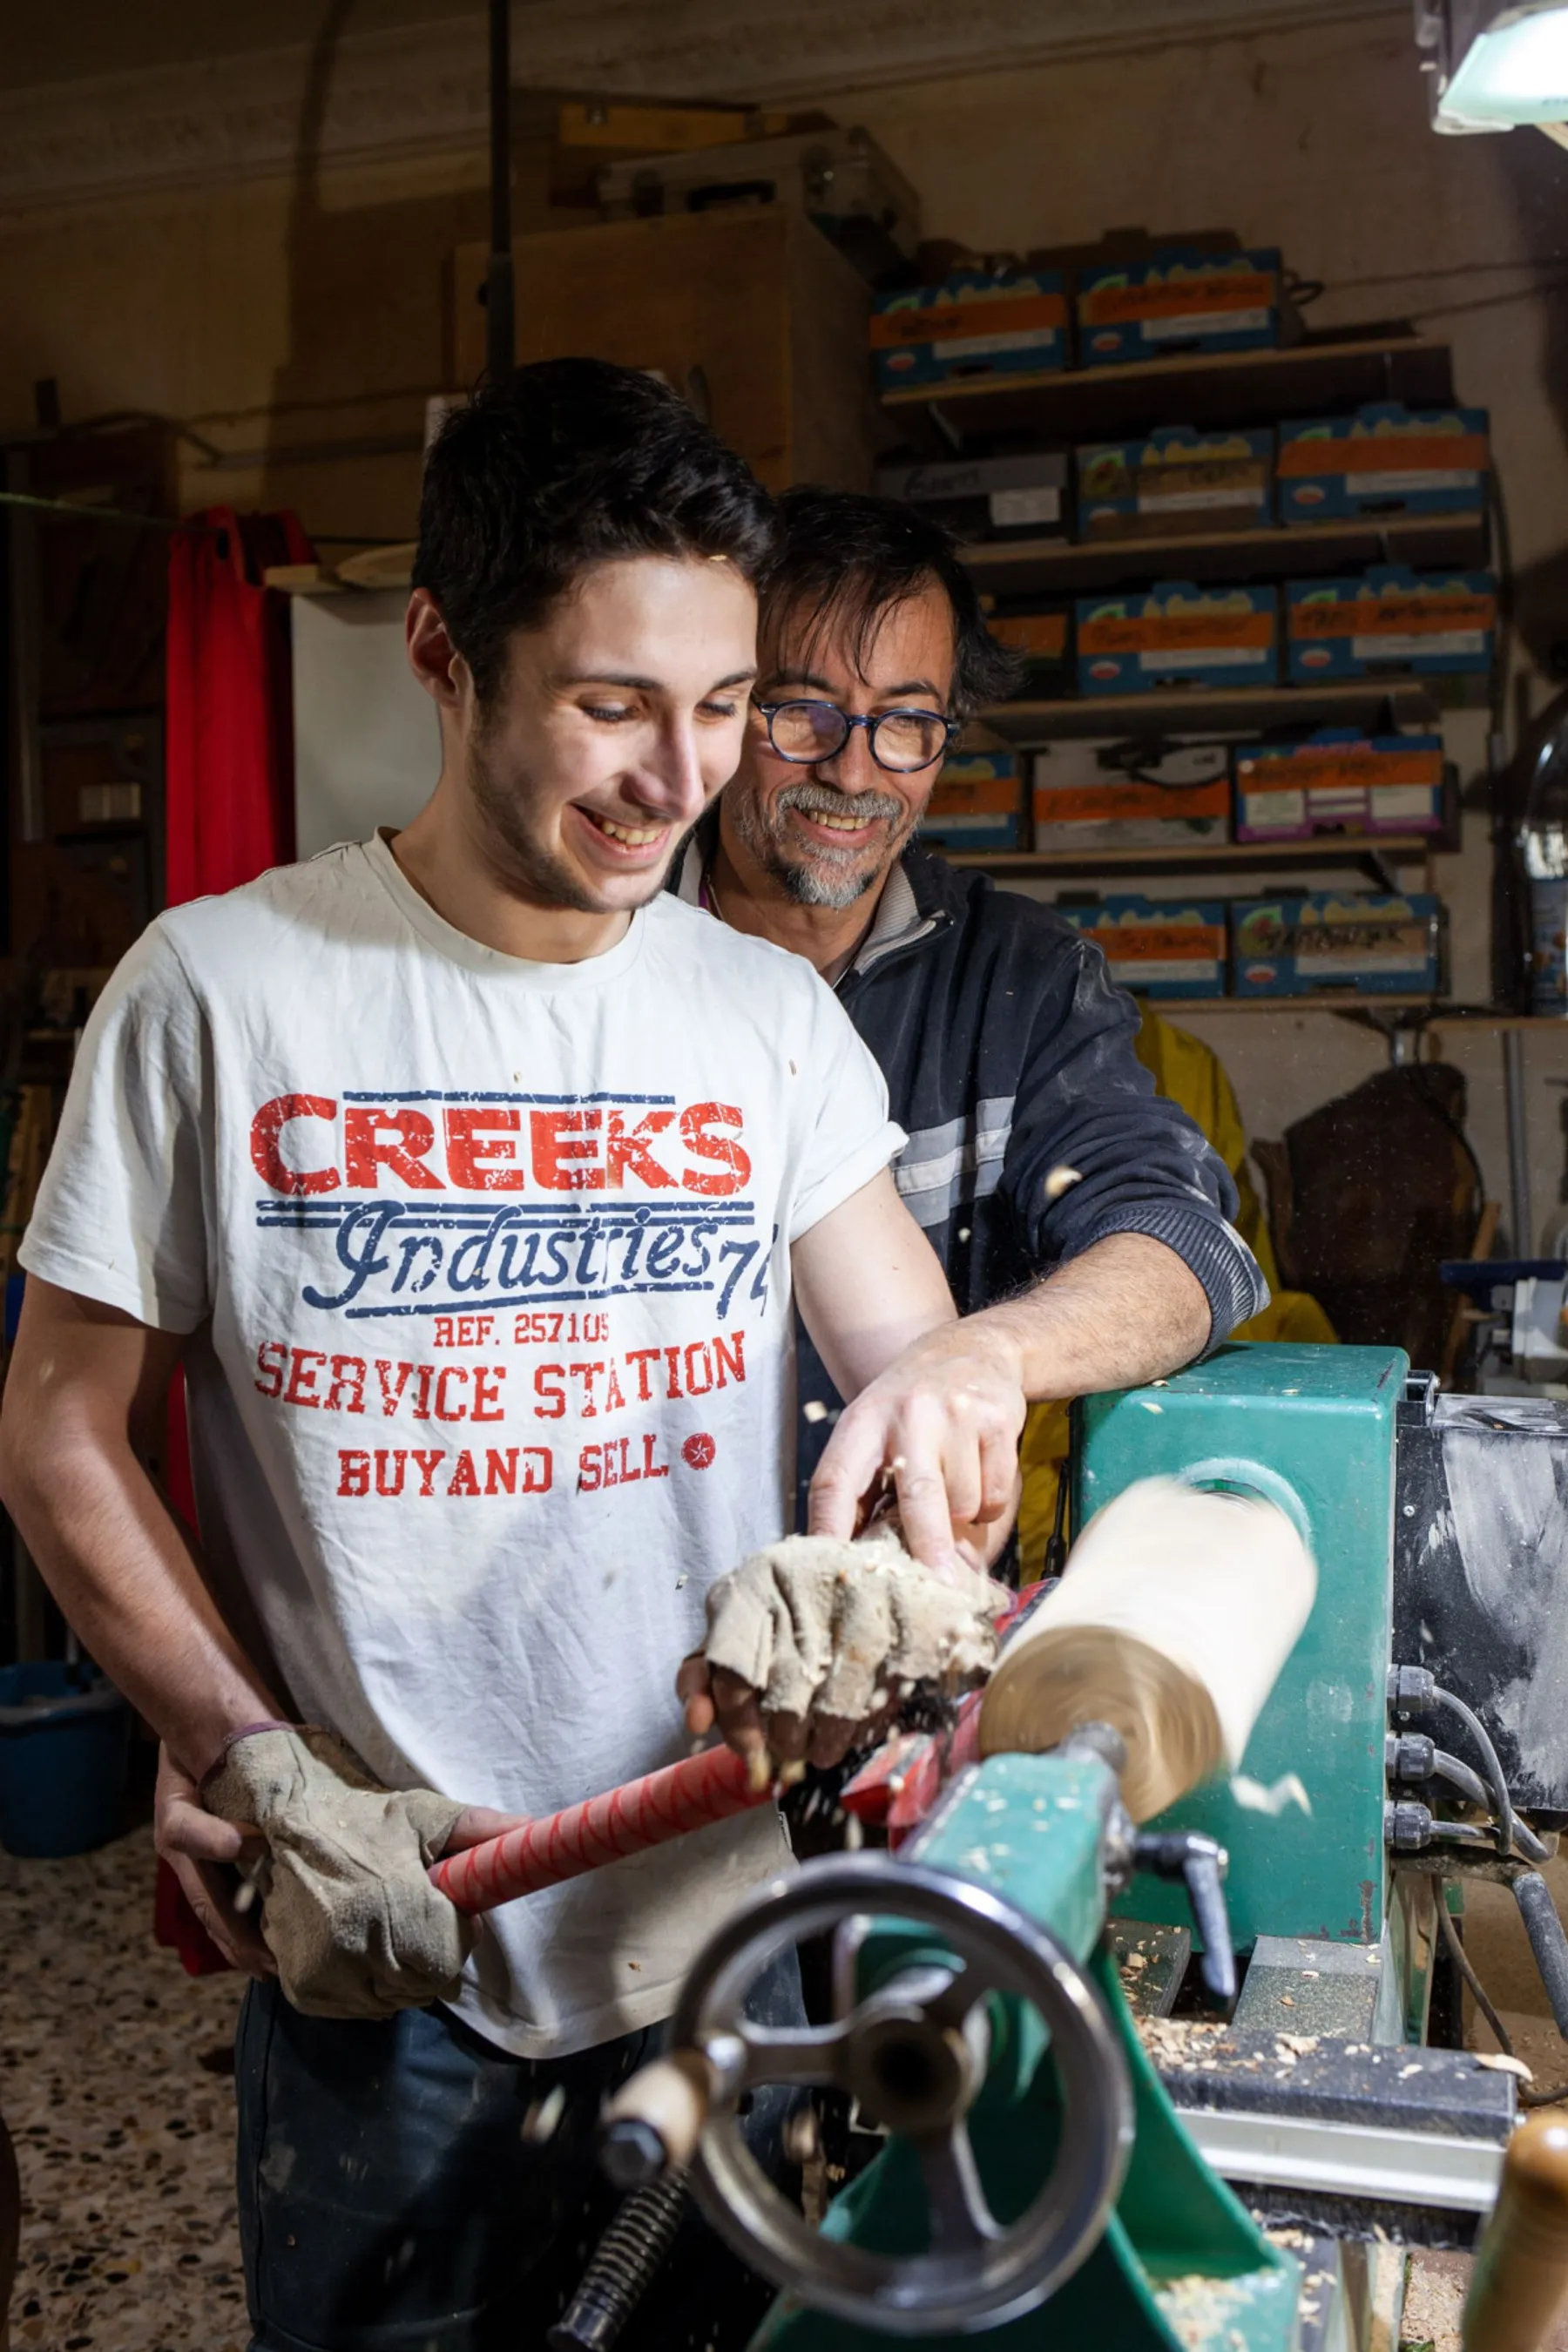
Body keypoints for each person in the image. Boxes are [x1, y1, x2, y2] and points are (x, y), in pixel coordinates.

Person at [0, 367, 1023, 2352]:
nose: (682, 777)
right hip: (396, 1948)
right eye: (612, 703)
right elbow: (55, 1432)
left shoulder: (765, 1021)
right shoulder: (224, 989)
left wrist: (915, 1505)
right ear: (444, 656)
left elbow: (913, 1356)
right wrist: (251, 1755)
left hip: (723, 1931)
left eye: (722, 706)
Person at [669, 484, 1268, 1529]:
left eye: (906, 722)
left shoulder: (1018, 980)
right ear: (721, 704)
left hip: (903, 1584)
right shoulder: (603, 954)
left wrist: (980, 1354)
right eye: (802, 710)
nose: (854, 771)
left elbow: (1183, 1241)